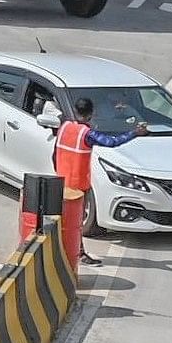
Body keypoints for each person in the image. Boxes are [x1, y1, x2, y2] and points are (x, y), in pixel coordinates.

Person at [53, 95, 97, 264]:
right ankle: (78, 252)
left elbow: (54, 155)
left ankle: (65, 249)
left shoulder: (64, 128)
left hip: (63, 182)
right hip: (78, 186)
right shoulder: (87, 134)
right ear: (91, 114)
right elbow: (111, 141)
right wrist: (134, 133)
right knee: (76, 222)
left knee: (64, 219)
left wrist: (59, 172)